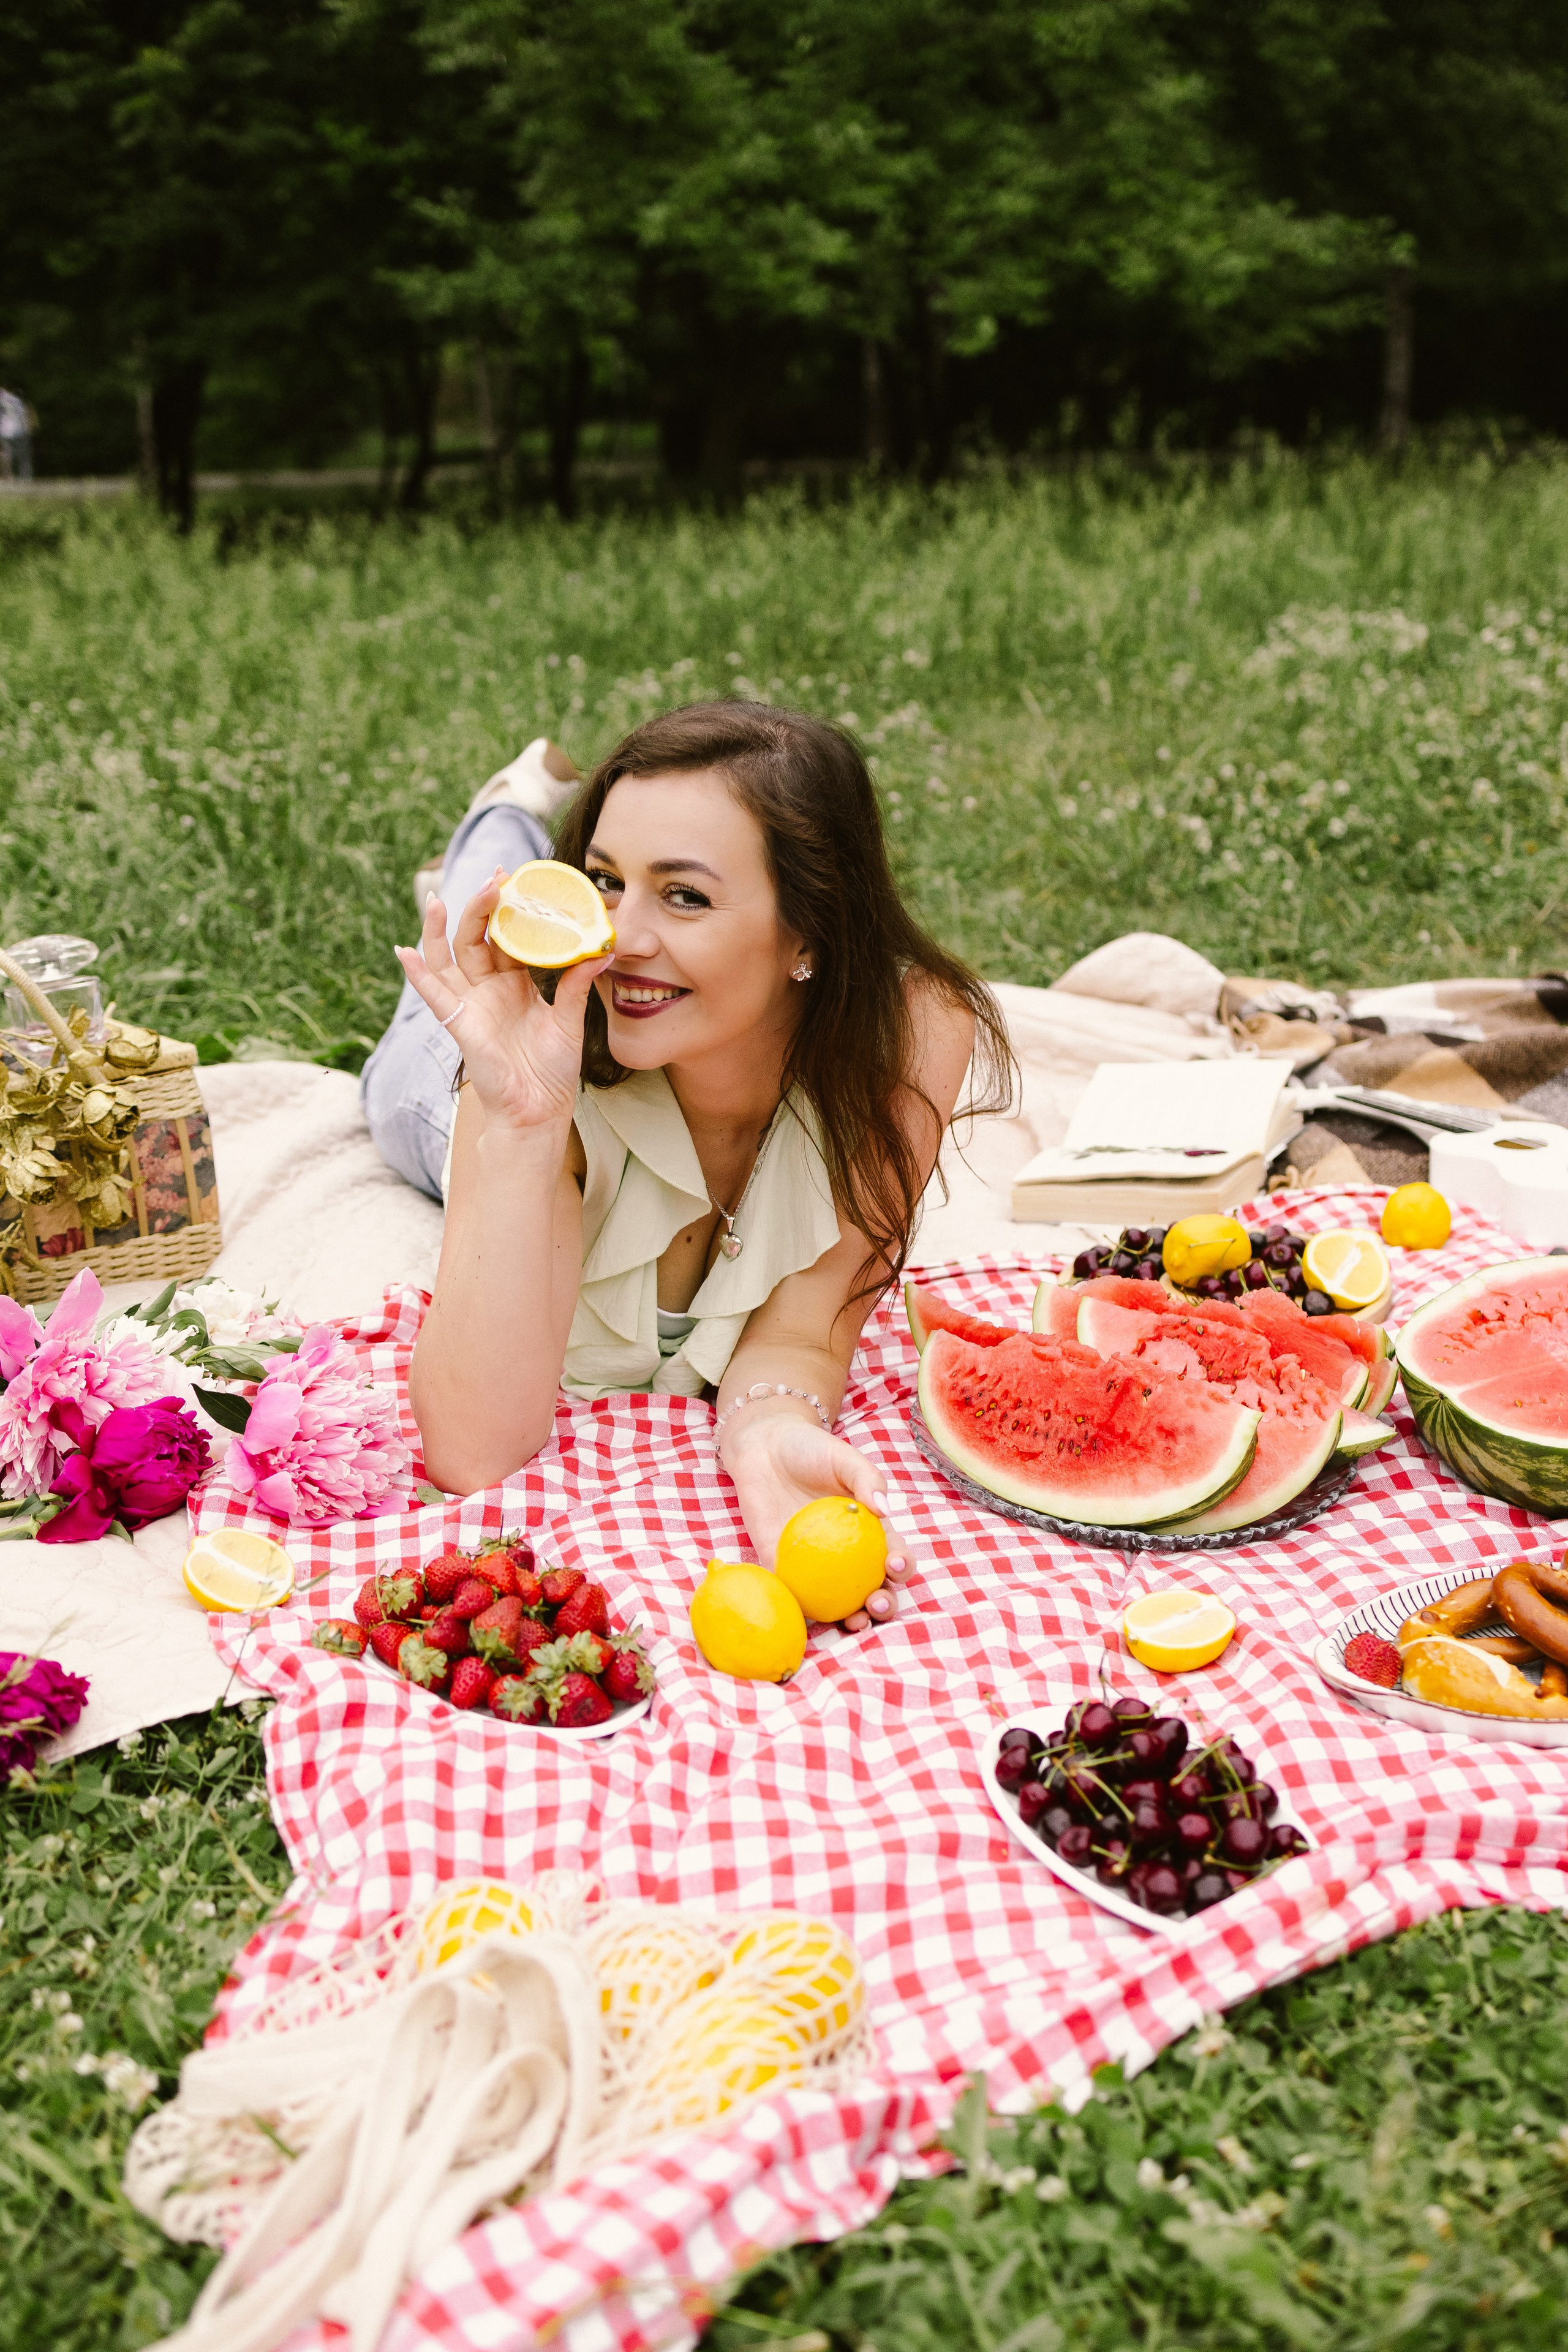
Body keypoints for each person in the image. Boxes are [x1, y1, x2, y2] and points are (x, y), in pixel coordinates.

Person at [375, 701, 1011, 1630]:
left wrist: (767, 1433)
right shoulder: (528, 1059)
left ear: (809, 935)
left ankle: (508, 828)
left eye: (685, 896)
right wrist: (518, 1119)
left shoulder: (913, 1035)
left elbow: (806, 1327)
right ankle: (499, 821)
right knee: (421, 1028)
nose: (616, 938)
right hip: (470, 1085)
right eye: (600, 881)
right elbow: (474, 1457)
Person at [0, 387, 34, 482]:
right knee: (23, 455)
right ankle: (25, 477)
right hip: (19, 431)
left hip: (5, 431)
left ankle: (8, 476)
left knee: (5, 453)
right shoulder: (16, 401)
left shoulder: (4, 400)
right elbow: (22, 416)